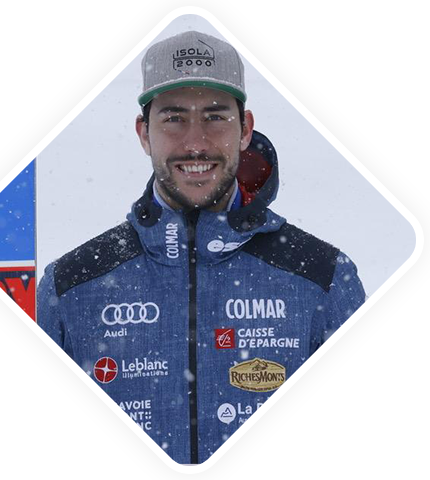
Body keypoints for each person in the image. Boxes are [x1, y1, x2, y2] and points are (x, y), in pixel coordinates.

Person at [37, 30, 366, 465]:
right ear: (143, 133)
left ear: (245, 129)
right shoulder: (71, 287)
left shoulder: (323, 278)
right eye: (174, 118)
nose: (195, 143)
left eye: (215, 117)